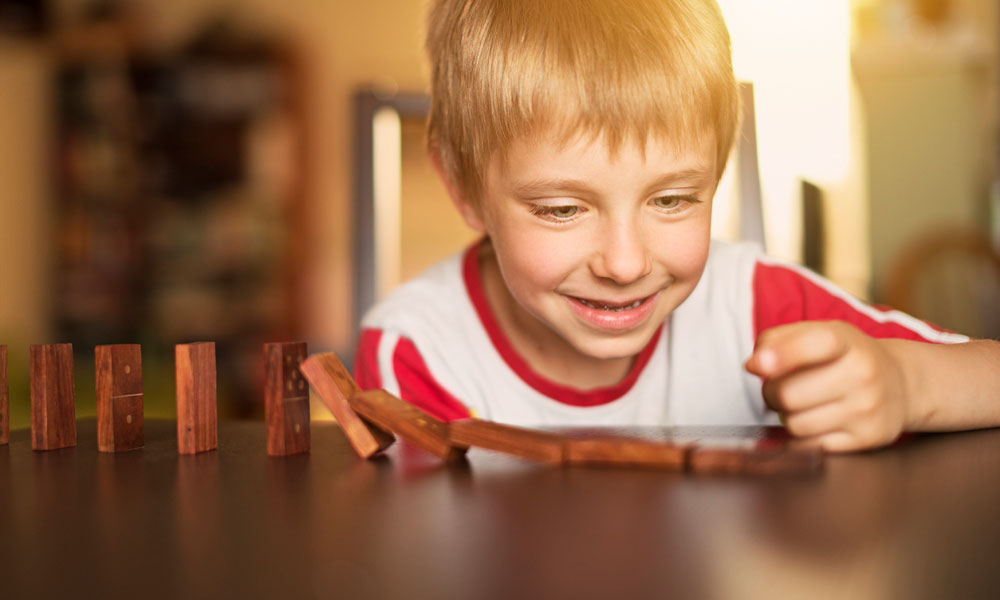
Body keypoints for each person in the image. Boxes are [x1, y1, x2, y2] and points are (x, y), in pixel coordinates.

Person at [353, 0, 1000, 452]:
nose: (627, 264)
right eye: (561, 209)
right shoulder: (417, 353)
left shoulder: (754, 305)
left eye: (672, 200)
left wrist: (906, 386)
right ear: (462, 188)